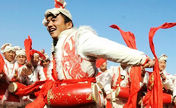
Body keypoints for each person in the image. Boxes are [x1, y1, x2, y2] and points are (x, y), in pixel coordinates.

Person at [41, 0, 155, 107]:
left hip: (85, 101)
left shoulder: (80, 38)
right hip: (62, 100)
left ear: (69, 24)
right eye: (48, 21)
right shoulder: (56, 47)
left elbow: (108, 48)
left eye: (54, 20)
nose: (49, 24)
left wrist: (141, 58)